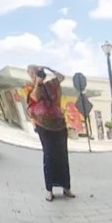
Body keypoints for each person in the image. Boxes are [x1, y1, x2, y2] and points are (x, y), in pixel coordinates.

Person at [26, 68, 72, 200]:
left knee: (63, 156)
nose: (34, 75)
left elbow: (61, 77)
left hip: (59, 124)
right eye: (32, 73)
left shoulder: (50, 84)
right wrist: (38, 82)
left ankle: (66, 187)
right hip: (44, 126)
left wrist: (48, 68)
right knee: (48, 156)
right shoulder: (30, 87)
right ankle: (49, 190)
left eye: (36, 72)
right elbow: (35, 97)